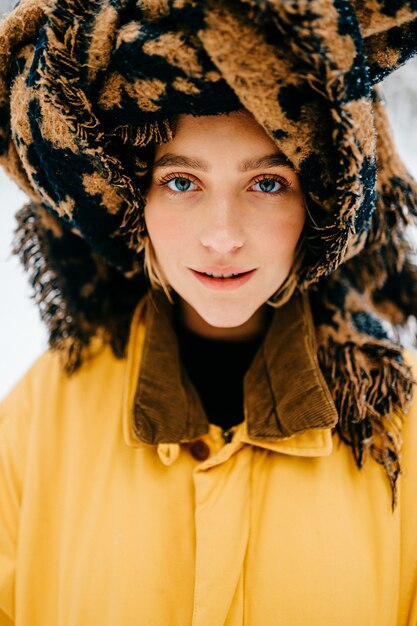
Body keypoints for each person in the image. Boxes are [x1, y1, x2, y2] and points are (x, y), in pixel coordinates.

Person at [1, 0, 417, 624]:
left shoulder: (403, 430)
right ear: (132, 194)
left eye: (267, 183)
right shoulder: (40, 420)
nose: (222, 237)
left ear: (321, 200)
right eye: (182, 182)